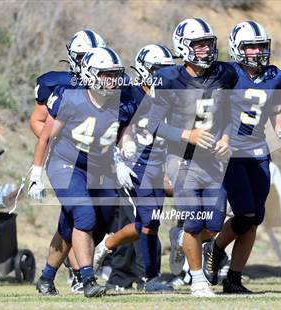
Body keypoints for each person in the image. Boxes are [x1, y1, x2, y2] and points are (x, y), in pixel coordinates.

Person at [146, 18, 237, 297]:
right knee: (195, 222)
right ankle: (198, 281)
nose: (205, 49)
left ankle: (182, 238)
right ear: (183, 47)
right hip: (181, 158)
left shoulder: (225, 73)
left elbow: (229, 114)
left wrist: (225, 138)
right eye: (198, 44)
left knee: (213, 222)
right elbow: (153, 124)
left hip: (211, 159)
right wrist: (187, 134)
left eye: (208, 43)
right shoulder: (169, 79)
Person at [202, 20, 281, 294]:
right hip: (230, 152)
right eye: (250, 46)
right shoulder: (226, 73)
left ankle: (234, 279)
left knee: (255, 219)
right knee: (245, 214)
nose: (256, 51)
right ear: (236, 47)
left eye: (260, 46)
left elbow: (276, 111)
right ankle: (215, 248)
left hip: (259, 152)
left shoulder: (275, 76)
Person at [32, 47, 123, 298]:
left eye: (115, 74)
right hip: (65, 162)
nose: (112, 80)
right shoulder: (70, 97)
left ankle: (46, 278)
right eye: (106, 75)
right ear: (91, 74)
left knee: (75, 224)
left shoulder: (122, 97)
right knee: (84, 215)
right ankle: (87, 280)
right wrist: (35, 174)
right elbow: (46, 136)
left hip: (97, 168)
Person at [94, 44, 175, 292]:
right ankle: (150, 279)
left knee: (149, 223)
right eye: (157, 69)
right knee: (148, 223)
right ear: (144, 70)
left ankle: (108, 244)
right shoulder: (129, 94)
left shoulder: (172, 95)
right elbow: (110, 131)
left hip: (157, 165)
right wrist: (118, 162)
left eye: (166, 70)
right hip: (130, 166)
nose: (164, 75)